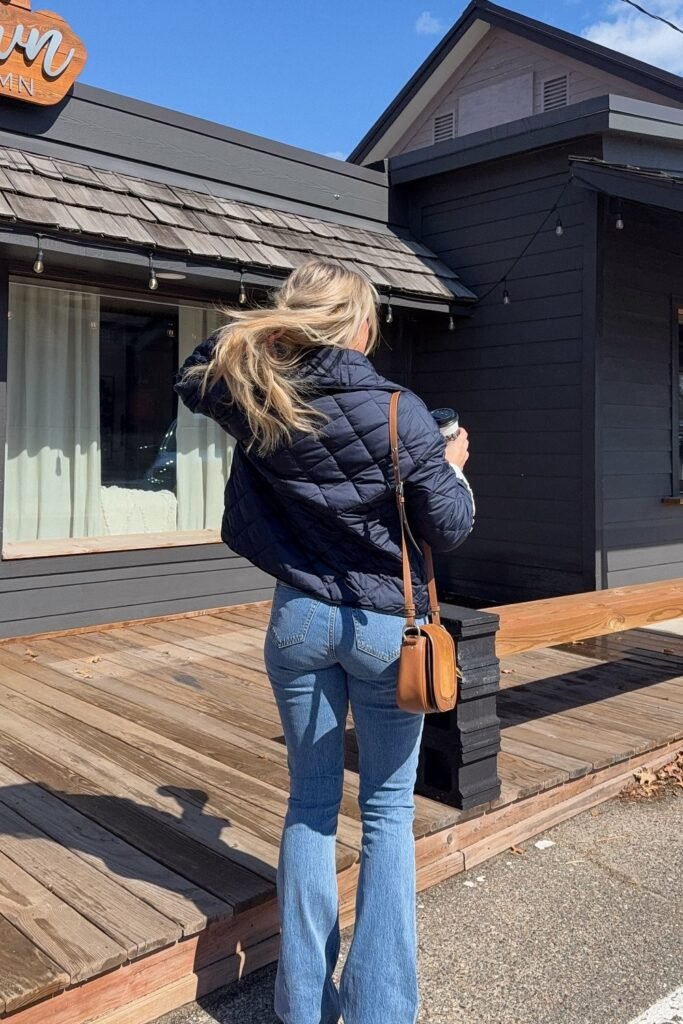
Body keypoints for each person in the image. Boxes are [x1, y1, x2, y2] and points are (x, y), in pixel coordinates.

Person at [174, 258, 474, 1024]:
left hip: (299, 618)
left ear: (296, 320)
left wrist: (268, 334)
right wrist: (452, 467)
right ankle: (379, 1011)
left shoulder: (257, 390)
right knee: (383, 812)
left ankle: (302, 1006)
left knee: (309, 804)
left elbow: (193, 370)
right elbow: (449, 527)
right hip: (384, 632)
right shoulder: (398, 411)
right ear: (362, 324)